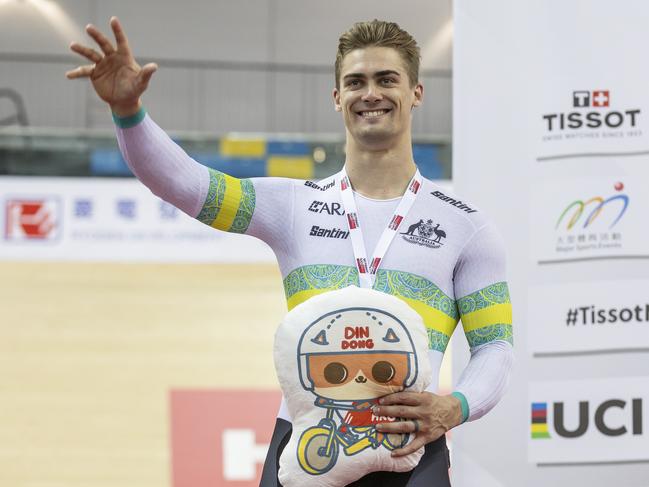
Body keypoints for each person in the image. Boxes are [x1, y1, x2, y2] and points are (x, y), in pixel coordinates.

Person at [67, 17, 513, 486]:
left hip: (412, 447)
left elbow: (495, 347)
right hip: (303, 447)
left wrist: (453, 407)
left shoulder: (467, 227)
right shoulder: (294, 205)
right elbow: (188, 185)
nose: (371, 93)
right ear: (337, 97)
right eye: (355, 82)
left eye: (387, 79)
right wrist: (128, 110)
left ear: (416, 92)